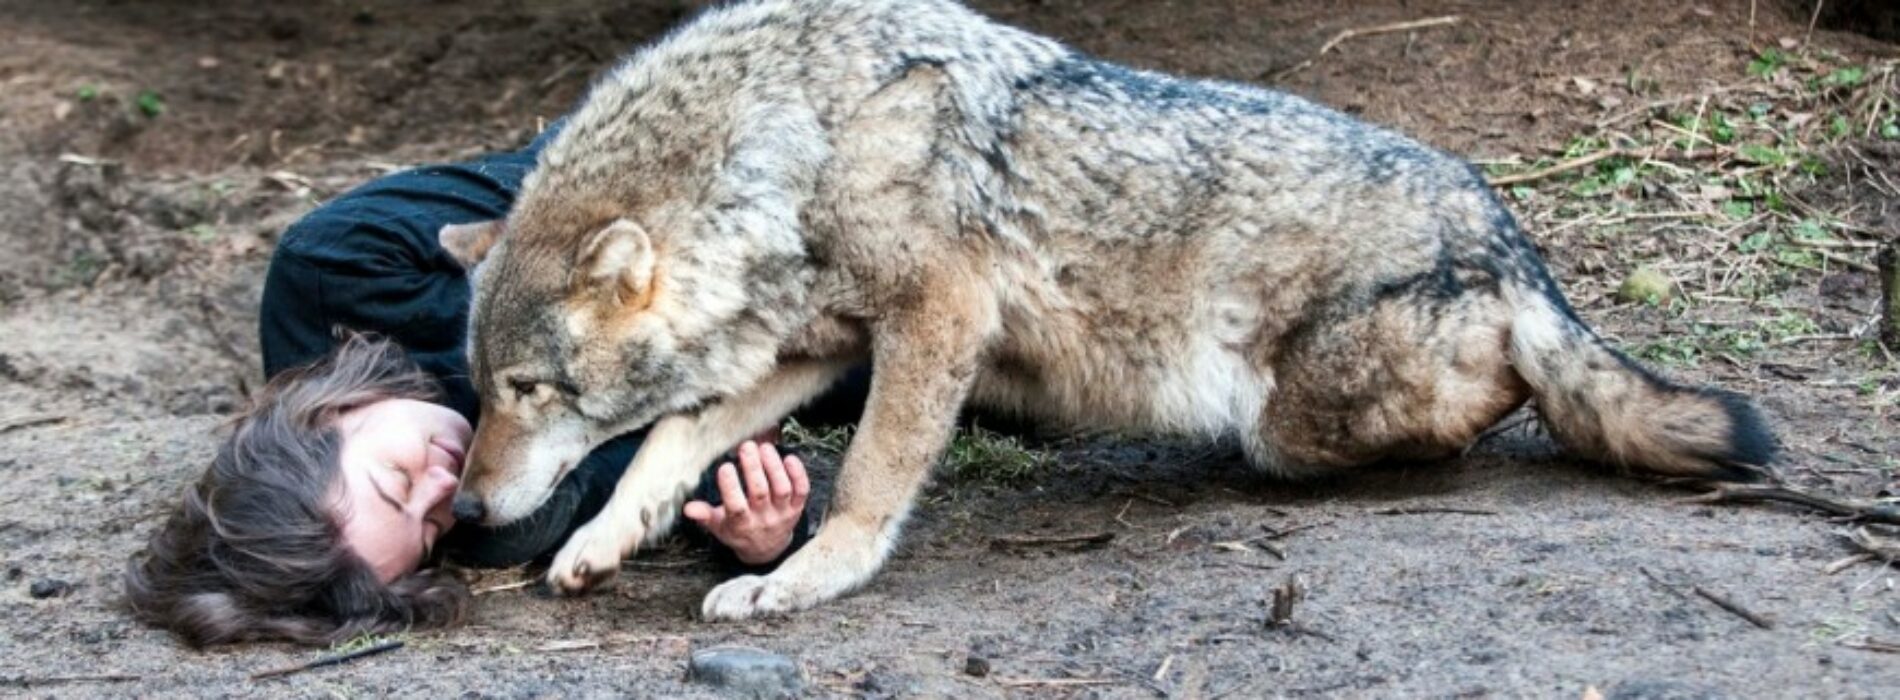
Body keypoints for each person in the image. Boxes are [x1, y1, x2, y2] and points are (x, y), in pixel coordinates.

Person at [124, 123, 877, 648]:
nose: (446, 491)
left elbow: (579, 196)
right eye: (426, 534)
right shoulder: (492, 523)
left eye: (397, 480)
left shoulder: (339, 269)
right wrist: (762, 543)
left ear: (329, 416)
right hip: (787, 364)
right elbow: (670, 488)